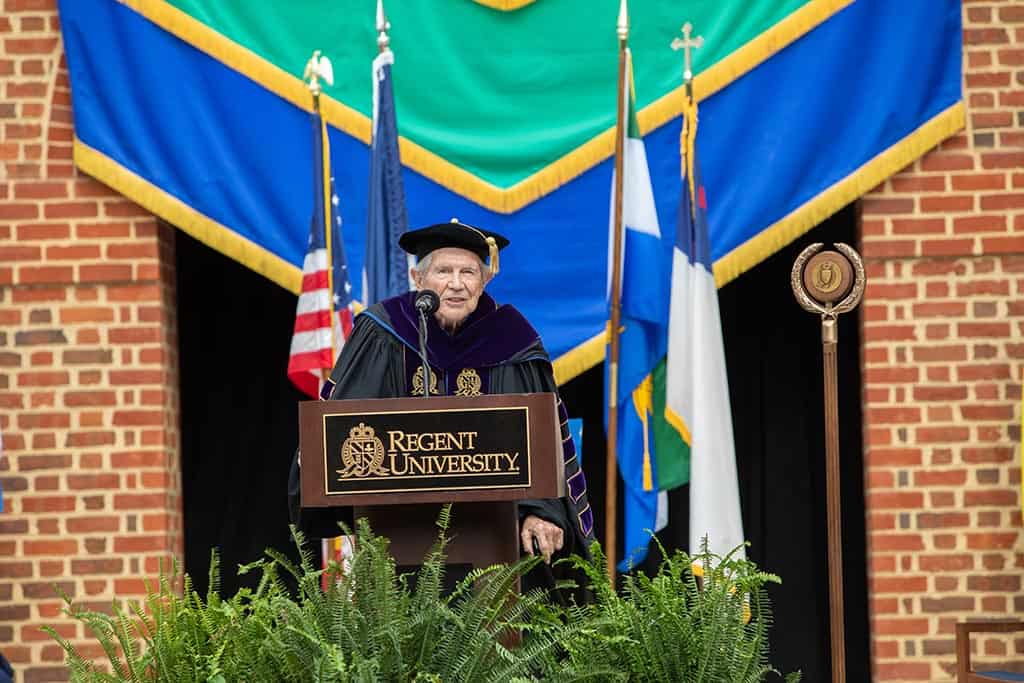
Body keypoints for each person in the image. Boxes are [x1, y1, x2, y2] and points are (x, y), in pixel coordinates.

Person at [288, 219, 594, 567]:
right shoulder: (384, 332)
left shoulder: (513, 339)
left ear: (484, 281)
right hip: (396, 533)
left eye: (468, 272)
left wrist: (539, 511)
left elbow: (541, 442)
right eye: (443, 271)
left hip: (497, 542)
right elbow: (340, 428)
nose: (456, 284)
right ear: (419, 280)